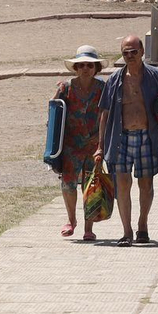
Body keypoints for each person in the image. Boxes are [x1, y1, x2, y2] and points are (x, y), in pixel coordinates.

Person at [95, 34, 158, 246]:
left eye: (134, 51)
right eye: (126, 53)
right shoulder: (115, 80)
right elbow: (105, 113)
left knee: (146, 183)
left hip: (147, 136)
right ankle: (127, 231)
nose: (130, 56)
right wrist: (100, 146)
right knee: (122, 183)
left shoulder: (156, 76)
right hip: (120, 138)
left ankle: (142, 225)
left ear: (142, 52)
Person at [53, 45, 107, 240]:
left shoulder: (102, 88)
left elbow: (107, 114)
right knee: (68, 184)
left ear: (96, 68)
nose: (85, 68)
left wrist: (103, 143)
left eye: (90, 65)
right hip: (71, 145)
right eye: (81, 65)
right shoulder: (65, 88)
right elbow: (54, 113)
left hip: (93, 145)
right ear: (76, 68)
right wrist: (53, 148)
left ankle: (88, 227)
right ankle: (71, 220)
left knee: (91, 186)